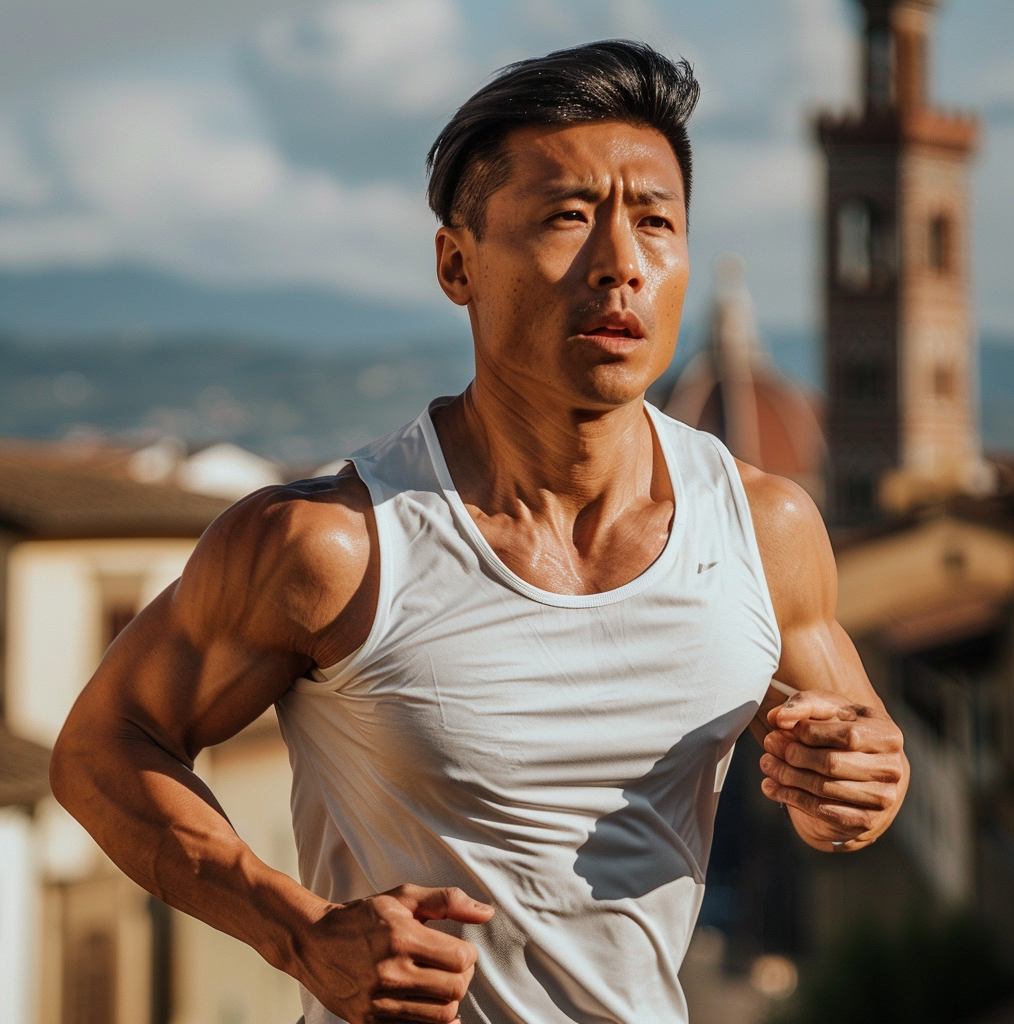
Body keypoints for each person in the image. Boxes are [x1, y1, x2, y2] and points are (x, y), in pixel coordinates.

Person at [51, 40, 909, 1024]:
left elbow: (852, 771)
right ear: (456, 264)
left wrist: (860, 786)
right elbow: (101, 749)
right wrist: (298, 932)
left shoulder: (766, 528)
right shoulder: (332, 546)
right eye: (566, 218)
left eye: (655, 222)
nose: (621, 265)